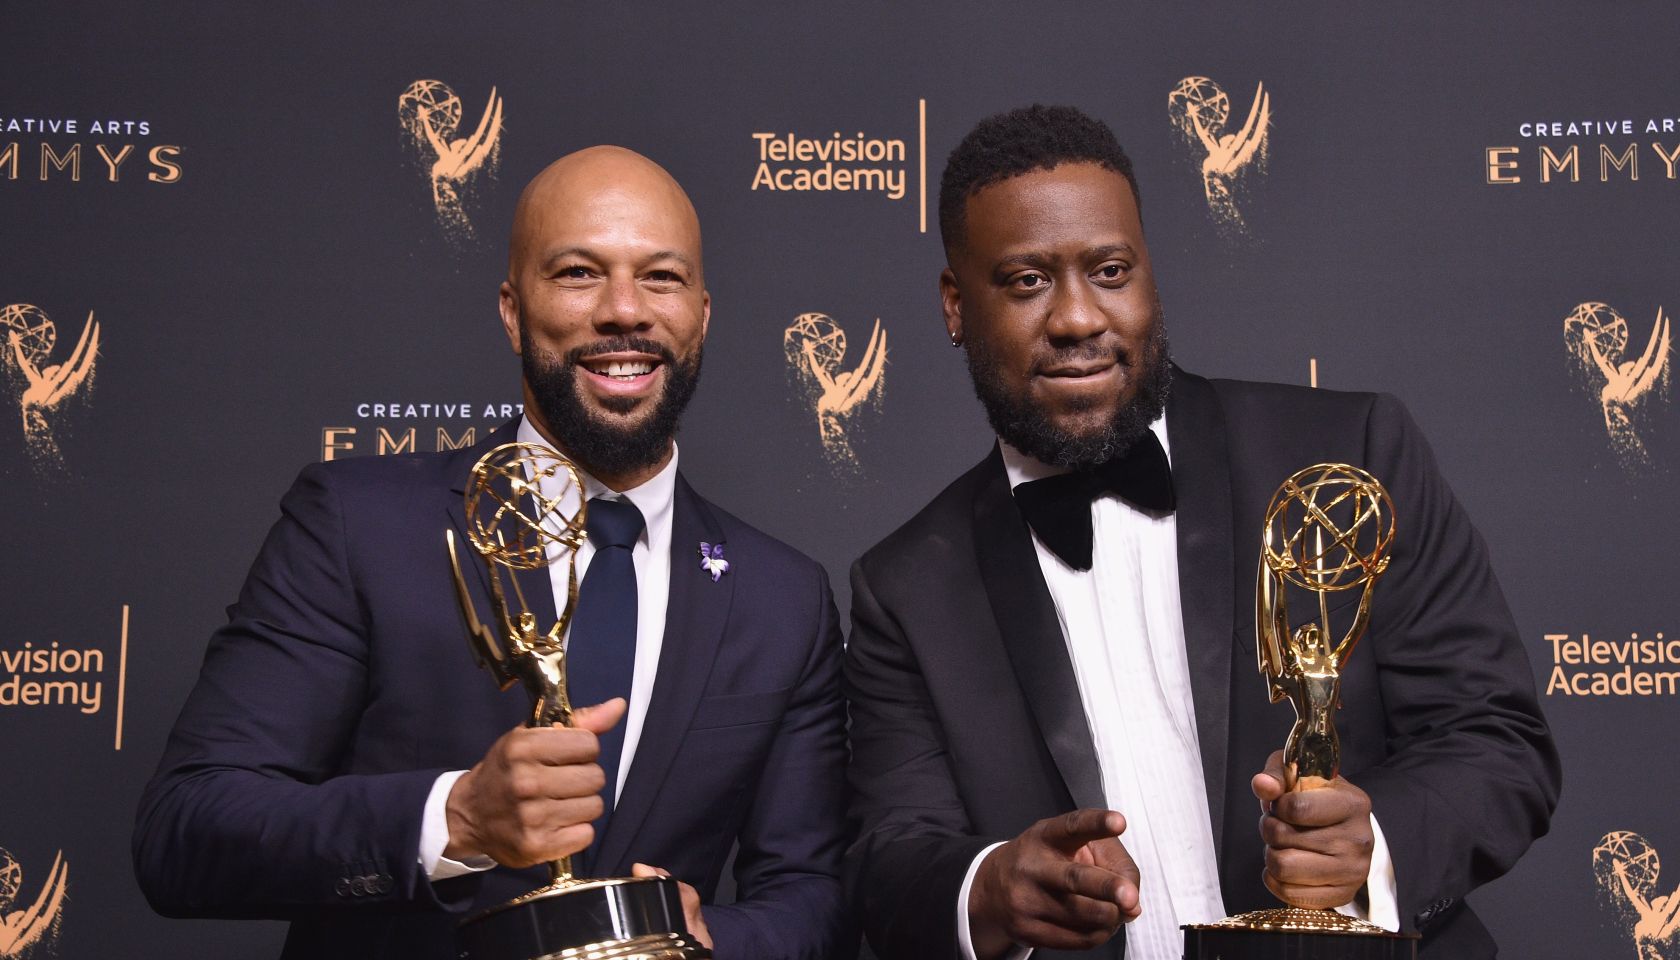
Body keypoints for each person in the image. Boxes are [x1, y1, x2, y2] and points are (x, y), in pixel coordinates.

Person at [843, 106, 1560, 960]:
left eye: (1110, 270)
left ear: (1149, 273)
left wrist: (1378, 847)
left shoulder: (1348, 457)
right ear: (956, 306)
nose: (1078, 317)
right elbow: (891, 859)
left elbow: (1497, 740)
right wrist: (991, 887)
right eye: (1028, 281)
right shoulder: (906, 587)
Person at [134, 146, 849, 960]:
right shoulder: (358, 527)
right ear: (513, 310)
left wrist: (713, 938)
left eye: (661, 277)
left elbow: (813, 892)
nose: (626, 311)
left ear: (702, 314)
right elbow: (185, 833)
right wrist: (457, 817)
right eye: (579, 273)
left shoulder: (782, 597)